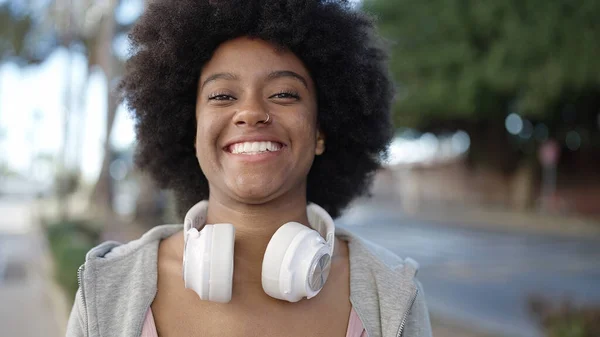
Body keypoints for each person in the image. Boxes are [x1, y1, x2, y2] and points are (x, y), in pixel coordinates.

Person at [66, 0, 432, 336]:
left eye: (285, 93)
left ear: (321, 130)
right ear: (190, 130)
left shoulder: (391, 293)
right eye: (222, 95)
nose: (252, 112)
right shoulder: (108, 287)